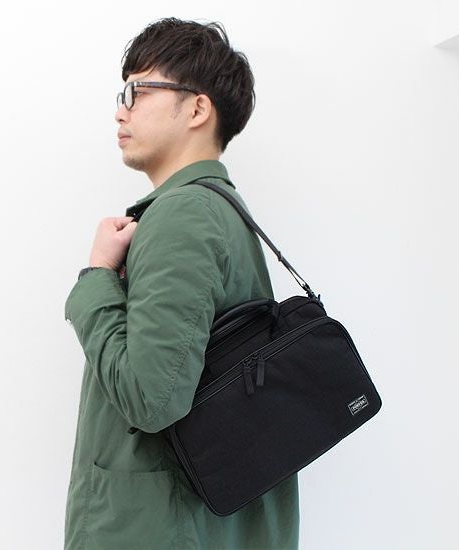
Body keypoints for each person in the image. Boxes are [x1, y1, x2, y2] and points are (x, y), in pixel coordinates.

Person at [63, 17, 300, 549]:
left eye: (139, 91)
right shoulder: (220, 209)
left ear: (197, 109)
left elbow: (153, 400)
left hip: (161, 530)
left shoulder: (183, 215)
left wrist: (96, 279)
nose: (121, 110)